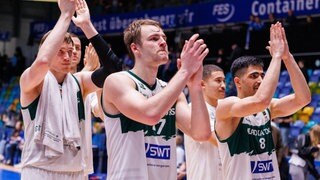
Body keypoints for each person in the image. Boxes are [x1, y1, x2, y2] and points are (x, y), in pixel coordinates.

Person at [19, 0, 121, 179]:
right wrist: (66, 15)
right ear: (47, 51)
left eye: (70, 50)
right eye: (60, 51)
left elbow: (113, 69)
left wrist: (86, 25)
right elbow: (43, 62)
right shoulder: (31, 81)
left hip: (75, 172)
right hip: (39, 171)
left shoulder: (79, 82)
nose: (68, 56)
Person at [101, 19, 211, 179]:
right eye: (154, 39)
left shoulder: (172, 92)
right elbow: (150, 114)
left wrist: (194, 88)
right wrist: (185, 71)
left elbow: (201, 134)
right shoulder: (117, 81)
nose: (162, 43)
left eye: (164, 39)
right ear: (135, 48)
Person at [215, 22, 311, 180]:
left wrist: (288, 57)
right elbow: (260, 101)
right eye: (254, 76)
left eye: (262, 75)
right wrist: (277, 57)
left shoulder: (268, 107)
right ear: (238, 82)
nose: (260, 80)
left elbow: (304, 98)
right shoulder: (227, 106)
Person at [184, 64, 225, 180]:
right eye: (218, 81)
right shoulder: (193, 109)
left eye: (224, 81)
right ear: (202, 84)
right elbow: (217, 140)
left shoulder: (223, 110)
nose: (223, 86)